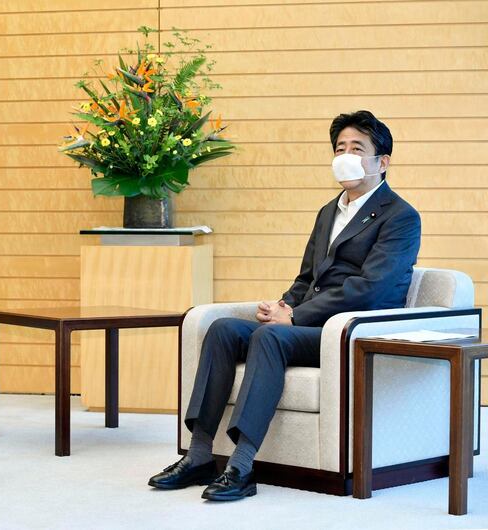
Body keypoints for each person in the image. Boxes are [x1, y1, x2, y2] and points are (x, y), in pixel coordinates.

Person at [148, 110, 421, 501]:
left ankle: (241, 467)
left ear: (383, 162)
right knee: (223, 328)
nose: (346, 154)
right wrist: (282, 305)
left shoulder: (401, 217)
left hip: (348, 331)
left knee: (272, 339)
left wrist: (294, 316)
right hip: (306, 325)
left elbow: (370, 289)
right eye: (340, 147)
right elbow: (307, 278)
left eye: (357, 148)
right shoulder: (329, 211)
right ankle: (200, 455)